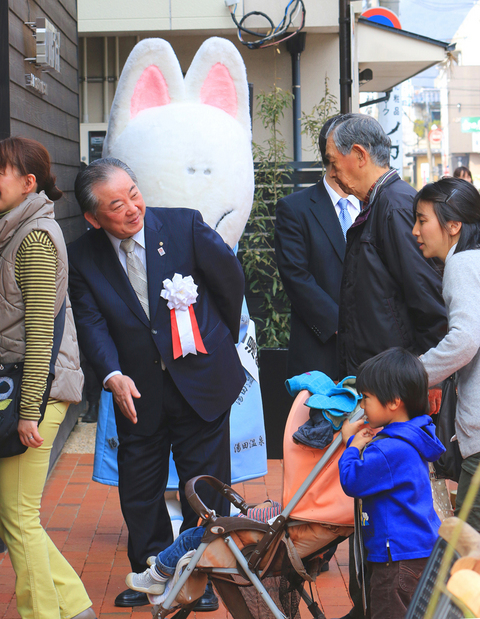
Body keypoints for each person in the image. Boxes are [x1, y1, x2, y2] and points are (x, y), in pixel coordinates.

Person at [68, 158, 245, 608]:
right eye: (116, 203)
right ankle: (151, 574)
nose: (132, 207)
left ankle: (197, 575)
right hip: (136, 389)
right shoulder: (84, 255)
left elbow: (229, 285)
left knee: (203, 487)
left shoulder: (183, 226)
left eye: (134, 192)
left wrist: (213, 342)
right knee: (140, 488)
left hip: (200, 383)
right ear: (93, 217)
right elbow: (90, 322)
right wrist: (111, 374)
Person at [325, 113, 447, 619]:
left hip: (398, 382)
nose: (332, 174)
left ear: (359, 155)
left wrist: (425, 378)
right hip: (382, 381)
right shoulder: (379, 204)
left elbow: (425, 300)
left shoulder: (395, 206)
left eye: (334, 162)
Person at [0, 137, 94, 619]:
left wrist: (28, 411)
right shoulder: (13, 230)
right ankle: (75, 608)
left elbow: (41, 336)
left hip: (38, 389)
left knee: (19, 517)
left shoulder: (34, 238)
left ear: (27, 182)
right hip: (29, 386)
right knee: (17, 516)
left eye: (0, 172)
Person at [339, 347, 445, 619]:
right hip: (419, 552)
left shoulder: (389, 449)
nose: (362, 406)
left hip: (395, 559)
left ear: (394, 401)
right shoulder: (414, 435)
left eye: (366, 398)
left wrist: (350, 446)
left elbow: (353, 480)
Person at [413, 176, 480, 532]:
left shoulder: (462, 263)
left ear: (453, 225)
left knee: (467, 557)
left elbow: (466, 339)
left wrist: (412, 374)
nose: (415, 230)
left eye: (422, 220)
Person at [274, 114, 360, 380]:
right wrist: (343, 327)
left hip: (373, 353)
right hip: (319, 348)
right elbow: (295, 277)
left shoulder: (376, 205)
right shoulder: (294, 208)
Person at [124, 501, 282, 597]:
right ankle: (167, 558)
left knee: (188, 538)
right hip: (264, 539)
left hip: (246, 541)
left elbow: (257, 517)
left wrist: (240, 518)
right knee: (193, 538)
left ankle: (157, 575)